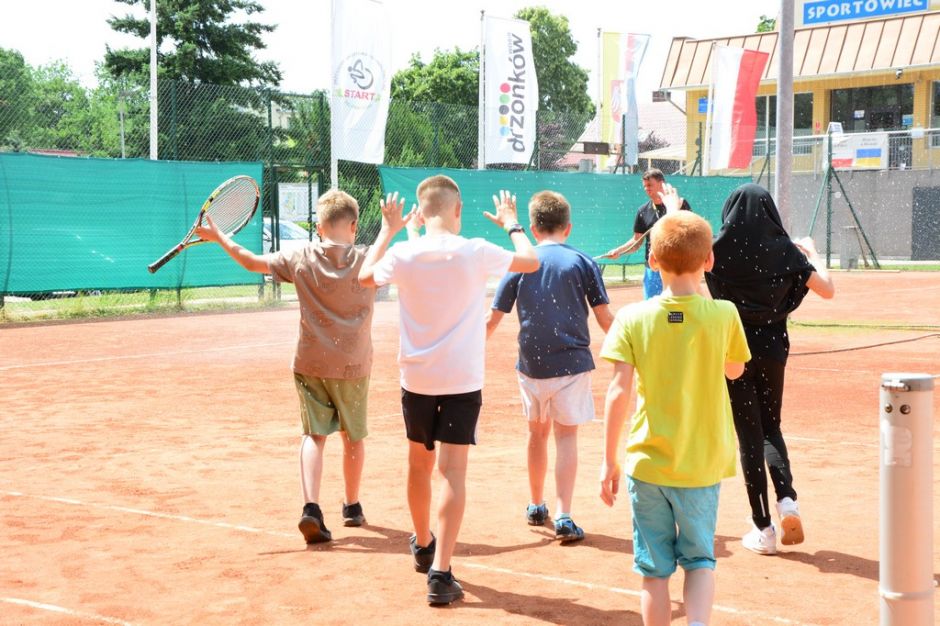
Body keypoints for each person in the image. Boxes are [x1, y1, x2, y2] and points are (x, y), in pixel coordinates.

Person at [359, 176, 539, 605]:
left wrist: (388, 230)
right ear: (456, 209)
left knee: (418, 465)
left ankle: (423, 543)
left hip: (417, 380)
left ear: (421, 213)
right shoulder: (474, 250)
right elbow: (530, 261)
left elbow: (364, 277)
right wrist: (512, 223)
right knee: (453, 472)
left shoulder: (404, 253)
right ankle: (440, 572)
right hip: (461, 380)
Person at [194, 189, 375, 545]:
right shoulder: (367, 259)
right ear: (354, 226)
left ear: (319, 227)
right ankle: (352, 506)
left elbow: (250, 261)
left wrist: (220, 237)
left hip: (310, 362)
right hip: (353, 365)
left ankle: (311, 508)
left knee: (314, 435)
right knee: (352, 435)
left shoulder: (299, 256)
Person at [599, 209, 751, 626]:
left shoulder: (632, 316)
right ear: (709, 260)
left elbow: (618, 391)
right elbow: (735, 370)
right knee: (700, 561)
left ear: (652, 260)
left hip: (647, 463)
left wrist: (609, 460)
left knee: (654, 571)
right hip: (701, 465)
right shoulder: (724, 313)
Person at [704, 183, 835, 556]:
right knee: (770, 427)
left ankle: (763, 528)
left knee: (749, 434)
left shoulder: (716, 251)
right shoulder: (784, 251)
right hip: (773, 351)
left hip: (734, 351)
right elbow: (827, 289)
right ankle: (787, 500)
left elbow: (683, 258)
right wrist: (811, 254)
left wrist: (673, 209)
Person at [486, 190, 613, 543]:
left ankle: (535, 504)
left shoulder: (520, 262)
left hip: (531, 364)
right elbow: (605, 319)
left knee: (536, 433)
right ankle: (564, 515)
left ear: (533, 228)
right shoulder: (582, 261)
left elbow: (492, 320)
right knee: (566, 436)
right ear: (567, 227)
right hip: (571, 364)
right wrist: (637, 348)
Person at [599, 168, 692, 299]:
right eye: (644, 186)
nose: (646, 189)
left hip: (676, 268)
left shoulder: (680, 204)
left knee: (678, 308)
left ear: (661, 183)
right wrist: (618, 251)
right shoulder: (643, 211)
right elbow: (636, 241)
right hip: (653, 269)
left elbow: (690, 232)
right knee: (652, 306)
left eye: (649, 185)